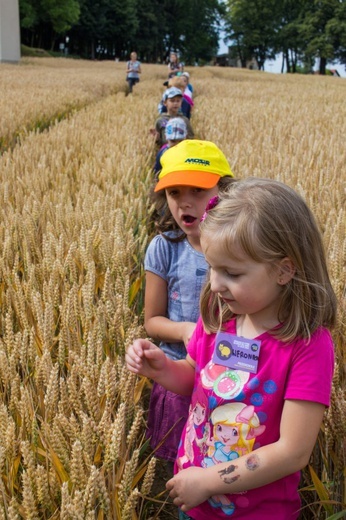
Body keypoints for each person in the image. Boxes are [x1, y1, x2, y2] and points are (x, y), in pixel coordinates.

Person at [126, 177, 337, 519]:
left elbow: (293, 451)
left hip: (256, 512)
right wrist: (162, 368)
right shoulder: (219, 318)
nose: (215, 283)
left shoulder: (307, 346)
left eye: (232, 273)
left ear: (284, 270)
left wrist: (210, 480)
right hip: (194, 497)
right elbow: (196, 377)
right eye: (211, 267)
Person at [143, 140, 235, 484]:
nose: (185, 201)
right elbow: (152, 321)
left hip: (228, 379)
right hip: (175, 376)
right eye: (174, 192)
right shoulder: (163, 249)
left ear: (223, 191)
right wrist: (187, 332)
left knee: (224, 461)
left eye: (198, 189)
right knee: (179, 470)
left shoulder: (239, 248)